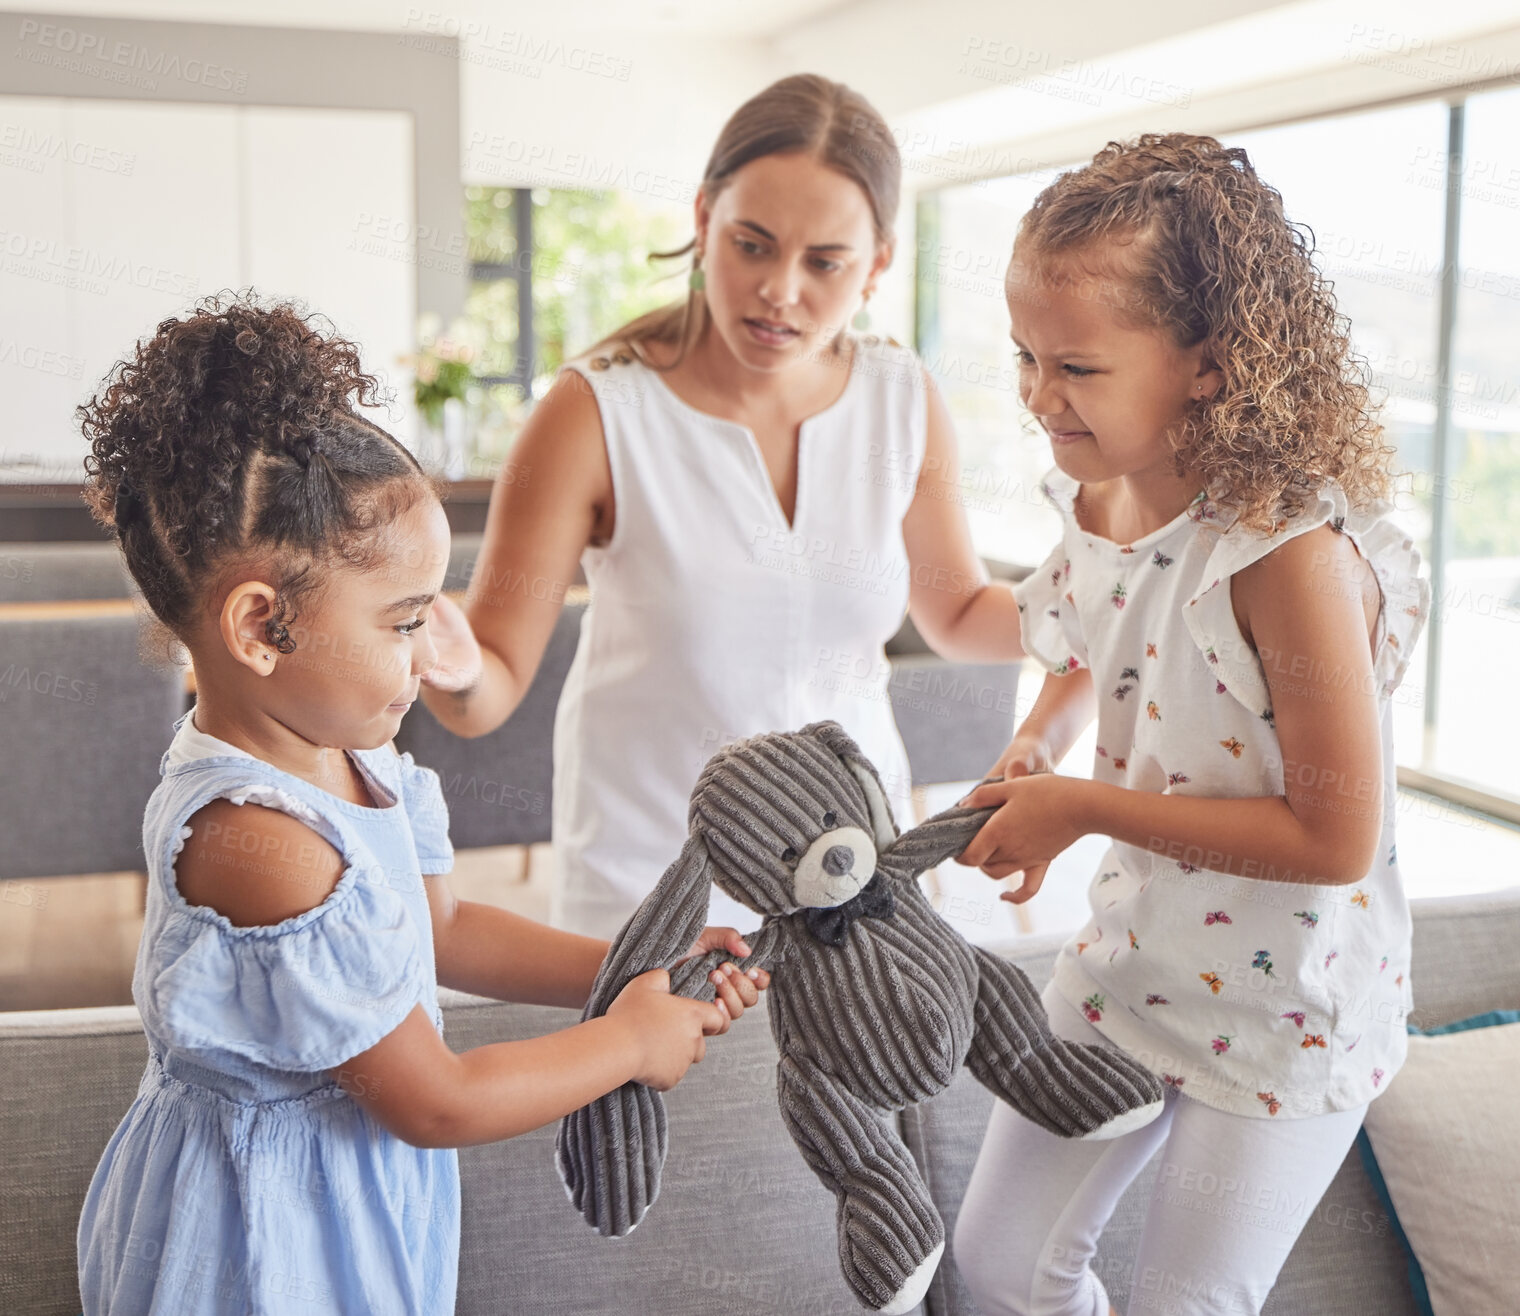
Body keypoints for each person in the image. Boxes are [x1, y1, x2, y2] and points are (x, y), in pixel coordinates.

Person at [73, 294, 768, 1315]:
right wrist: (623, 1040)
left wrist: (640, 969)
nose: (435, 654)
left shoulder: (358, 753)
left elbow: (440, 927)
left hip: (352, 1202)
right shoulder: (254, 841)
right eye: (403, 621)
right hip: (259, 1244)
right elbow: (433, 1099)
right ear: (261, 626)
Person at [948, 134, 1430, 1315]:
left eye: (1075, 366)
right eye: (1022, 355)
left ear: (1208, 365)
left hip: (1290, 1005)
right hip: (1136, 958)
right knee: (999, 1264)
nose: (1034, 396)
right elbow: (1088, 632)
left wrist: (1075, 813)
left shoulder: (1287, 555)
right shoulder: (1096, 489)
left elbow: (1331, 838)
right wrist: (1042, 744)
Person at [419, 73, 1027, 938]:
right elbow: (486, 694)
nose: (781, 290)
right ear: (704, 220)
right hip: (652, 886)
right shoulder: (595, 411)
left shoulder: (902, 398)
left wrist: (1102, 599)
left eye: (825, 263)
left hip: (854, 869)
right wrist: (450, 661)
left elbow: (962, 614)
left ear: (879, 263)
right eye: (752, 244)